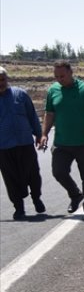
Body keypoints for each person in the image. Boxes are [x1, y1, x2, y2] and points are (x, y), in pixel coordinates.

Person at [40, 61, 84, 220]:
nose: (59, 79)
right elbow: (49, 114)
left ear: (70, 72)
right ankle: (75, 195)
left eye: (62, 76)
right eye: (56, 76)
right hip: (62, 143)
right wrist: (44, 134)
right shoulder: (53, 90)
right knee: (58, 172)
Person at [0, 67, 45, 220]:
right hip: (4, 147)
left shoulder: (20, 94)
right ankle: (19, 208)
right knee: (10, 178)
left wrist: (39, 135)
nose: (1, 83)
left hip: (25, 142)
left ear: (7, 79)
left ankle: (36, 198)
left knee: (33, 173)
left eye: (2, 79)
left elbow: (32, 115)